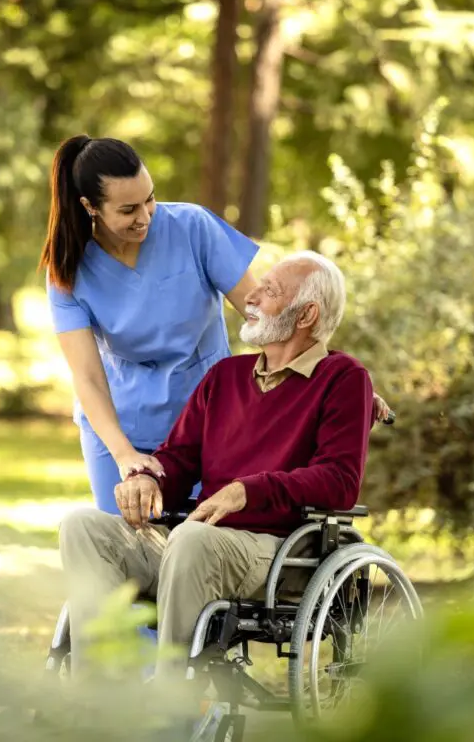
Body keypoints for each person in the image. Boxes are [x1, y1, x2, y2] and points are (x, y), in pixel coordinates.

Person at [59, 251, 376, 683]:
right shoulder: (225, 376)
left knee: (191, 539)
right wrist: (148, 479)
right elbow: (180, 458)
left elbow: (340, 482)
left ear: (307, 314)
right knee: (83, 526)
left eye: (270, 291)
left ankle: (169, 709)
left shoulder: (343, 378)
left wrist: (249, 490)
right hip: (198, 543)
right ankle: (94, 704)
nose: (252, 297)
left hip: (280, 554)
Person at [42, 135, 391, 516]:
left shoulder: (193, 228)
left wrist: (332, 382)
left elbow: (266, 312)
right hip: (118, 425)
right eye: (128, 209)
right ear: (89, 206)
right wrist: (125, 454)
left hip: (204, 424)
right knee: (122, 549)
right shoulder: (67, 269)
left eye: (150, 199)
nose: (144, 217)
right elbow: (88, 377)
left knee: (198, 541)